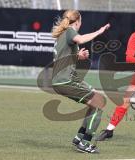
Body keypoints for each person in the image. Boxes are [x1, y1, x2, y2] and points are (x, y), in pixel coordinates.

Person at [51, 9, 110, 153]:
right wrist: (99, 31)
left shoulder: (62, 34)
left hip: (64, 80)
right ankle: (85, 143)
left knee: (95, 98)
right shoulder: (70, 31)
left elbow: (63, 59)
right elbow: (82, 39)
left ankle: (79, 137)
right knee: (99, 103)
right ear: (77, 21)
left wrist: (78, 56)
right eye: (80, 21)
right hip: (65, 81)